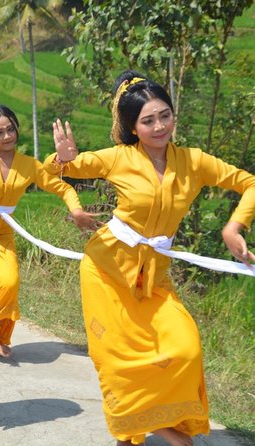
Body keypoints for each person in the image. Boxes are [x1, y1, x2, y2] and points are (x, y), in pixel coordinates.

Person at [46, 70, 255, 446]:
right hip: (106, 271)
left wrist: (233, 227)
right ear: (132, 127)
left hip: (153, 279)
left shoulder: (194, 161)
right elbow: (67, 168)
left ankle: (143, 424)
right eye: (148, 120)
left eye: (165, 115)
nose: (159, 126)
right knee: (118, 360)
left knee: (185, 347)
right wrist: (64, 159)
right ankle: (159, 431)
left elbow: (250, 182)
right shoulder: (119, 158)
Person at [0, 105, 97, 361]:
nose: (7, 136)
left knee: (9, 281)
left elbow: (63, 189)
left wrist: (76, 210)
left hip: (2, 235)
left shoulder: (29, 165)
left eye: (11, 129)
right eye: (0, 132)